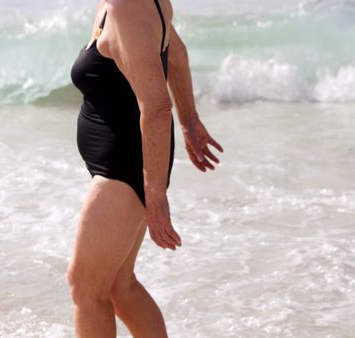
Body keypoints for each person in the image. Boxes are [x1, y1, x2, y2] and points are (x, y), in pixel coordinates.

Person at [68, 0, 224, 336]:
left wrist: (155, 196)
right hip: (121, 163)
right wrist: (191, 122)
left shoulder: (126, 8)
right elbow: (176, 53)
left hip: (123, 167)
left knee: (85, 288)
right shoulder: (126, 5)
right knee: (120, 286)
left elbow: (155, 106)